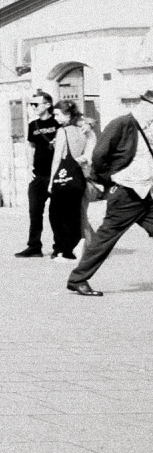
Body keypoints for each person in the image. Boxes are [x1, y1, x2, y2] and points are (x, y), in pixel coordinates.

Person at [66, 87, 153, 297]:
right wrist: (109, 181)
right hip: (125, 194)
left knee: (105, 238)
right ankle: (78, 279)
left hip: (144, 194)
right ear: (145, 106)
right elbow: (99, 155)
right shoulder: (122, 124)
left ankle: (78, 278)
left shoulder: (147, 129)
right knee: (105, 239)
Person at [47, 100, 95, 260]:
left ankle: (64, 249)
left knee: (56, 214)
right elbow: (90, 151)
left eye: (58, 114)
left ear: (67, 114)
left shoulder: (63, 131)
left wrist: (51, 181)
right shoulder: (85, 130)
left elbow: (57, 158)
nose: (56, 117)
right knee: (75, 214)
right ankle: (75, 248)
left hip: (64, 178)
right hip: (80, 177)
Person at [14, 89, 59, 258]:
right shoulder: (33, 125)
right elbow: (31, 146)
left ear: (47, 105)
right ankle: (34, 246)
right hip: (38, 175)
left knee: (56, 213)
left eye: (36, 104)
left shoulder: (58, 122)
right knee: (34, 211)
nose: (33, 107)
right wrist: (29, 167)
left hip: (55, 174)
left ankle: (59, 246)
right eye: (31, 104)